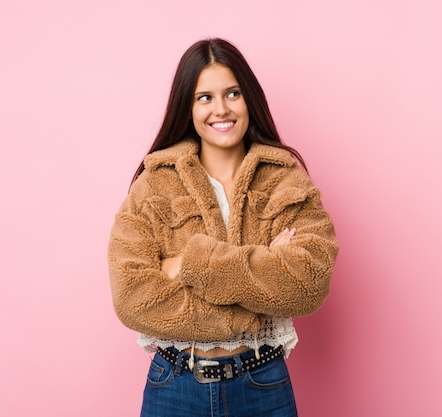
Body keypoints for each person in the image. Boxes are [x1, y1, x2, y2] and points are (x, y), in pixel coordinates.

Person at [107, 38, 339, 417]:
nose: (221, 109)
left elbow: (307, 284)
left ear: (249, 98)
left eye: (232, 93)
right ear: (188, 105)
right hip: (175, 387)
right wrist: (261, 278)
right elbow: (133, 297)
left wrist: (187, 263)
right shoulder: (154, 184)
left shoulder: (285, 180)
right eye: (205, 97)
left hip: (262, 385)